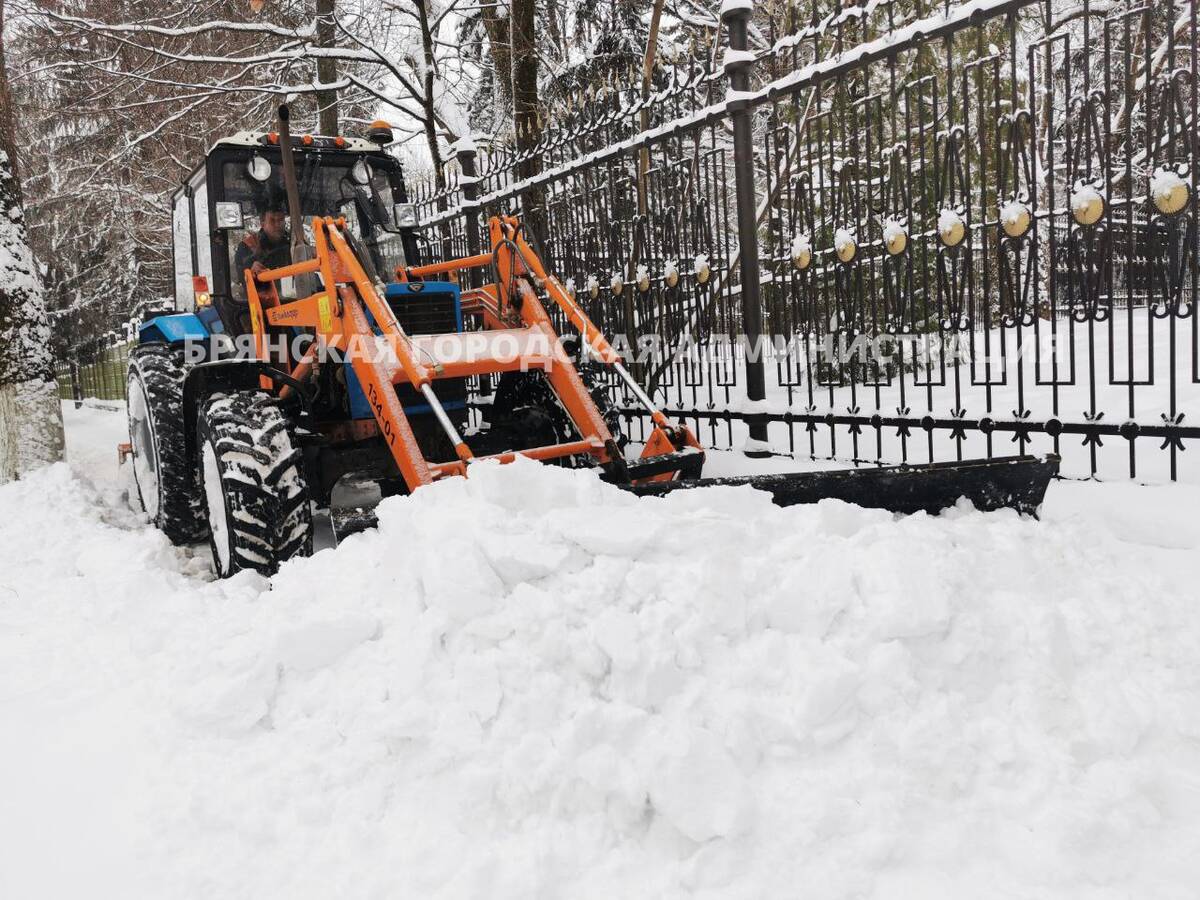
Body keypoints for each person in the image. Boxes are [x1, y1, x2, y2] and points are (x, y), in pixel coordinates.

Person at [234, 204, 292, 282]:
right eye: (272, 220)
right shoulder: (248, 245)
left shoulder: (294, 243)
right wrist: (250, 269)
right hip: (260, 291)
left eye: (280, 220)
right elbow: (239, 276)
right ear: (262, 223)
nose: (277, 225)